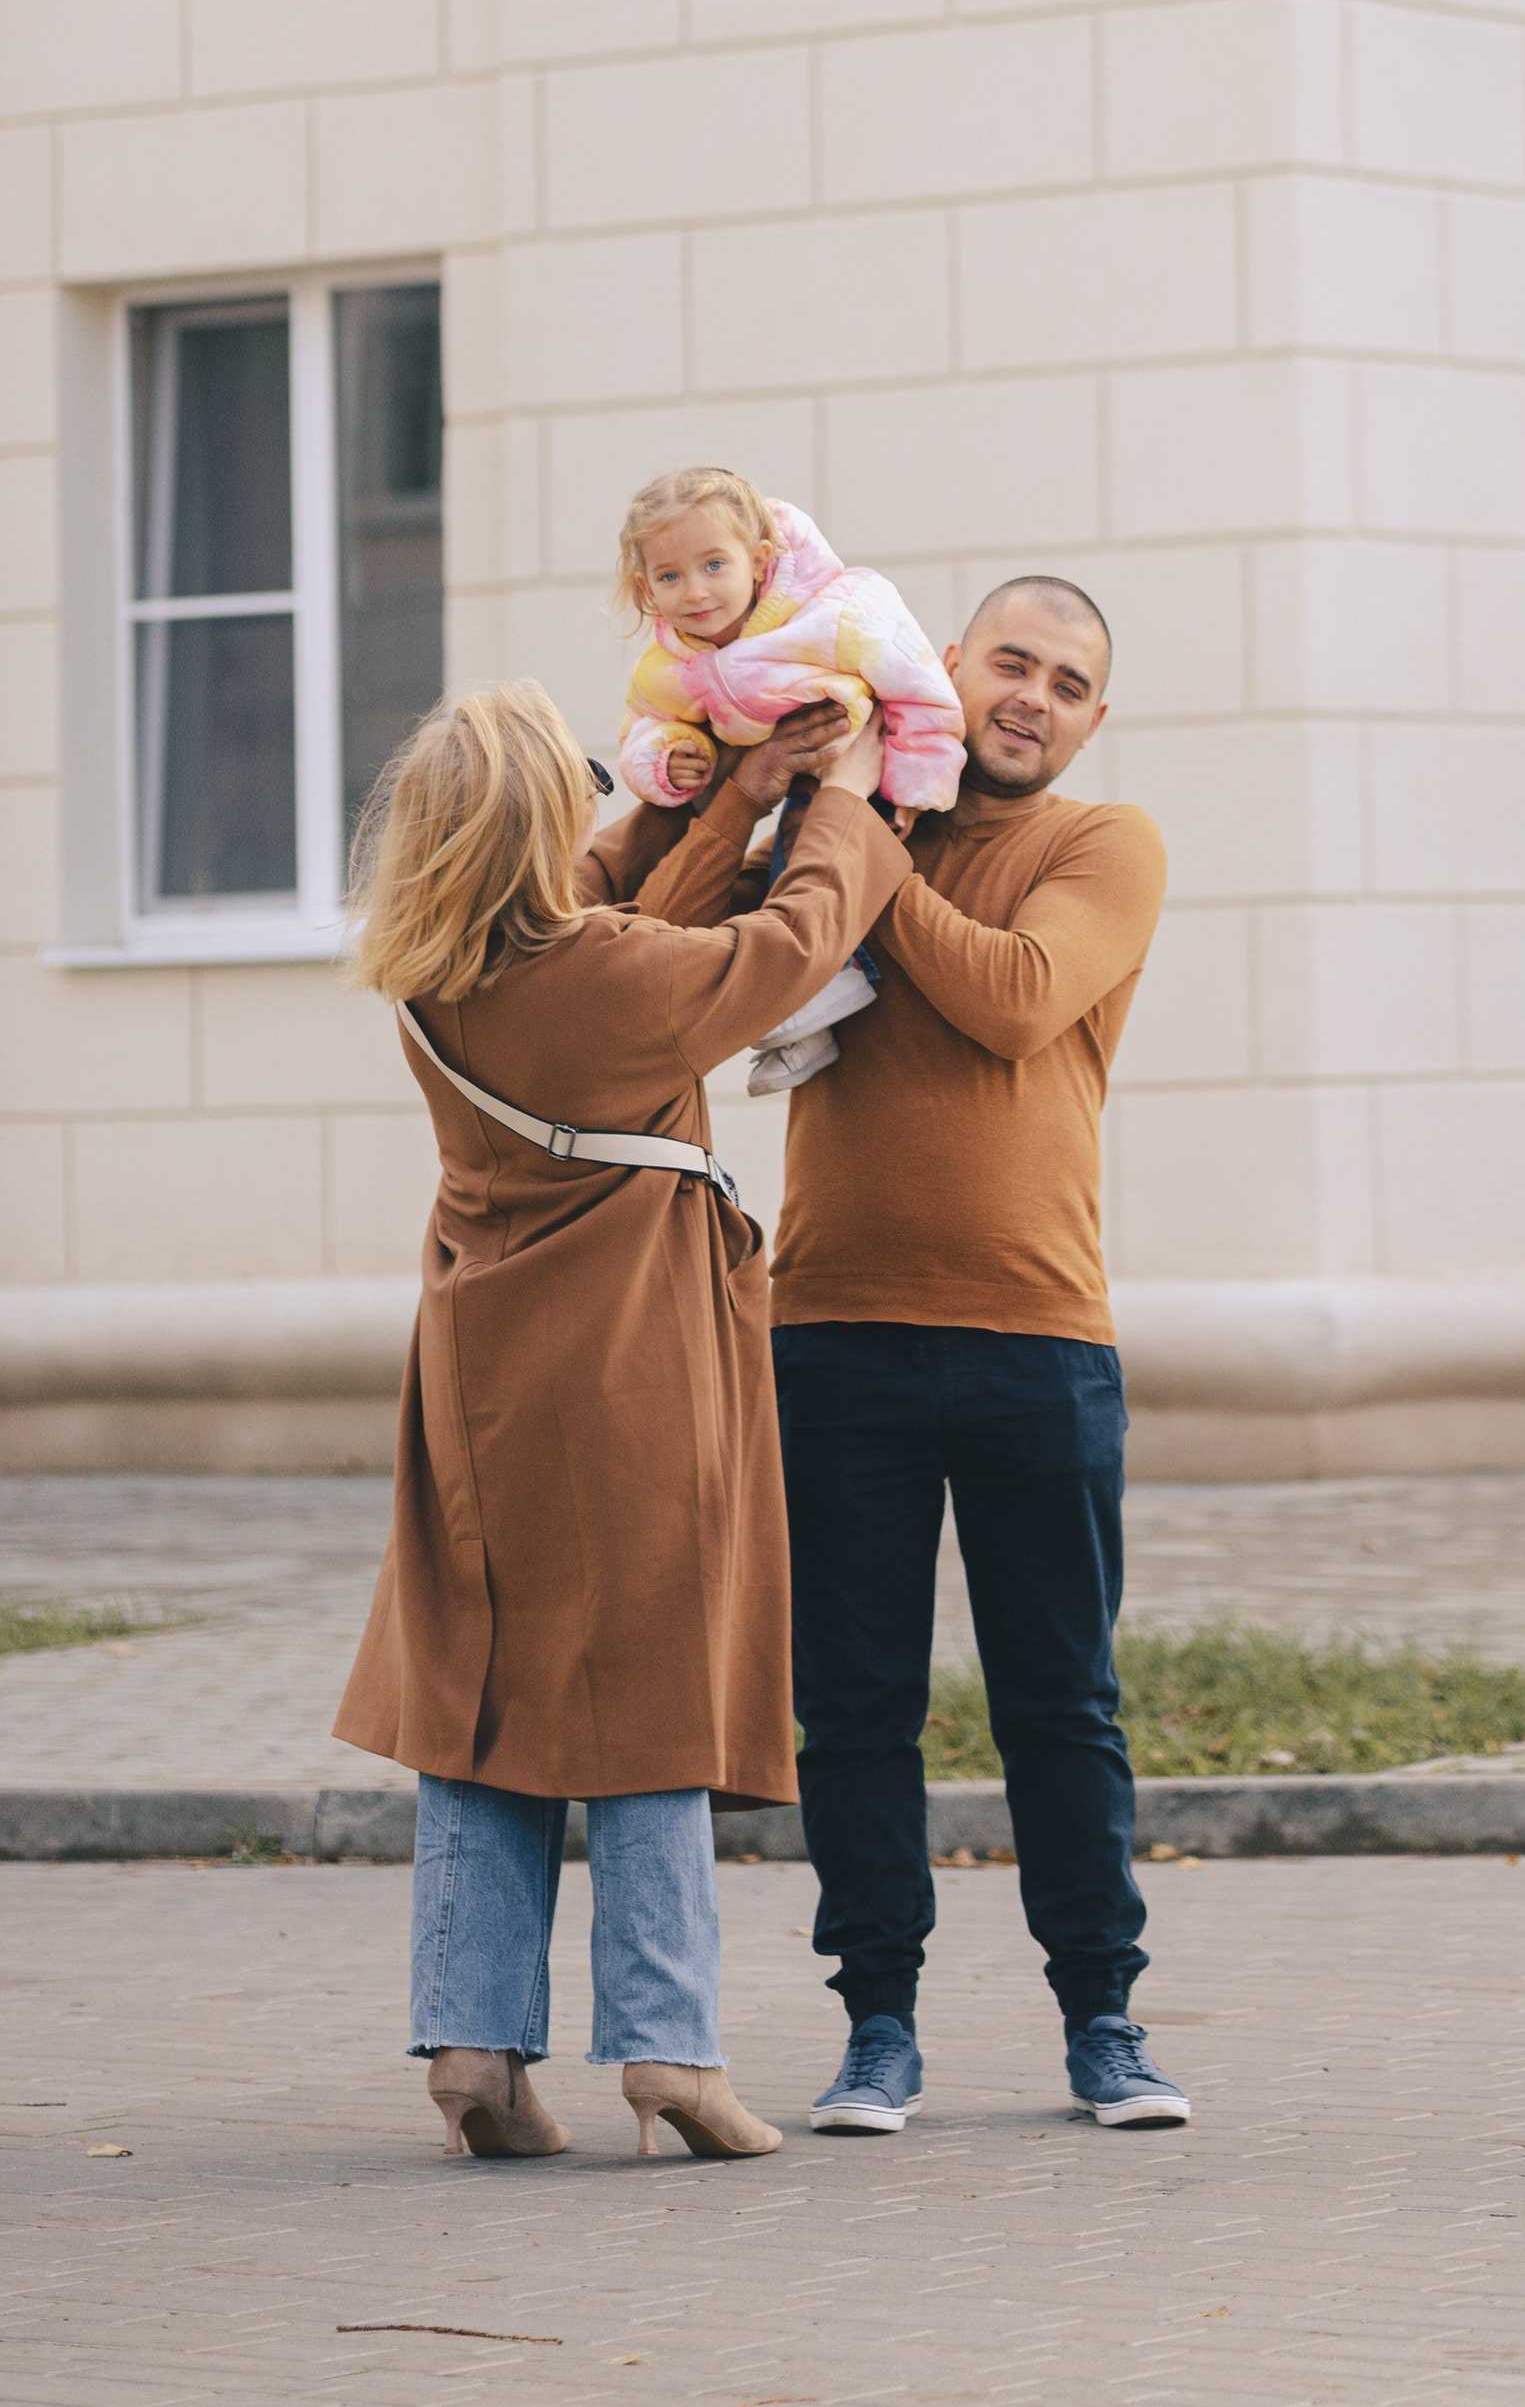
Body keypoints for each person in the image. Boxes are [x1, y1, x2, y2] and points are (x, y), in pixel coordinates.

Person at [635, 574, 1184, 2133]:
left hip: (1039, 1340)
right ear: (949, 667)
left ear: (1090, 719)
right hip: (833, 1336)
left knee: (1060, 1704)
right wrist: (761, 791)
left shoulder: (1101, 844)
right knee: (856, 1708)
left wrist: (859, 844)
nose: (1035, 695)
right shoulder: (856, 809)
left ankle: (1105, 2023)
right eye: (1013, 661)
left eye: (1070, 681)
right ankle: (878, 2025)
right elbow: (665, 956)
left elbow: (1013, 1001)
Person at [335, 676, 906, 2161]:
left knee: (483, 1688)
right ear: (536, 819)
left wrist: (724, 796)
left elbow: (605, 899)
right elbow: (784, 948)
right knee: (652, 1685)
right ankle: (670, 2050)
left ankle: (472, 2044)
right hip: (628, 1365)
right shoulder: (603, 975)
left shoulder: (431, 963)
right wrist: (840, 796)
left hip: (478, 1364)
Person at [613, 465, 964, 1093]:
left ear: (759, 559)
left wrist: (915, 784)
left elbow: (921, 686)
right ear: (646, 589)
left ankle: (827, 986)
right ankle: (812, 1022)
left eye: (714, 565)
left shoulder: (836, 612)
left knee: (808, 854)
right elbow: (645, 723)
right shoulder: (671, 660)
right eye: (671, 576)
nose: (695, 591)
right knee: (775, 871)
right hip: (786, 764)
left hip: (865, 754)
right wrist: (669, 759)